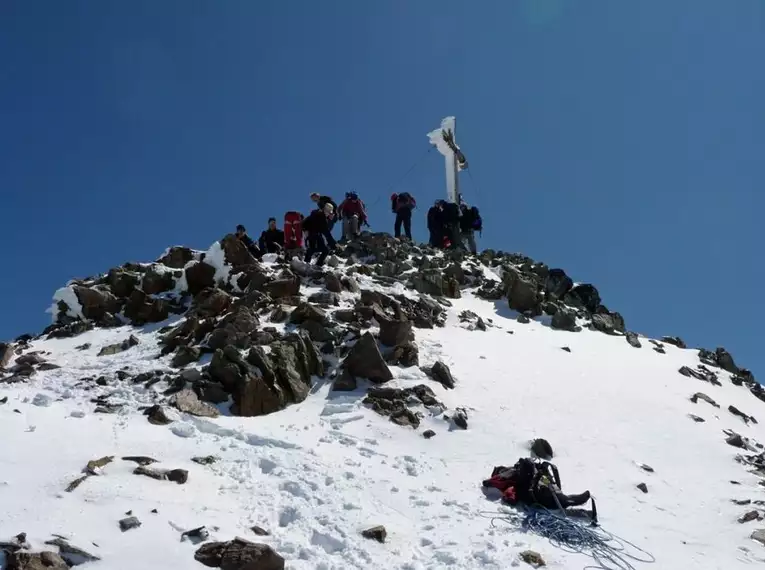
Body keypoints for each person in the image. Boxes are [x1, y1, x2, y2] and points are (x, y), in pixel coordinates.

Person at [482, 458, 593, 512]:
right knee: (561, 499)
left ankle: (568, 500)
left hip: (536, 488)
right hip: (539, 494)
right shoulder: (514, 484)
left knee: (559, 496)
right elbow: (511, 496)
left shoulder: (514, 477)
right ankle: (568, 501)